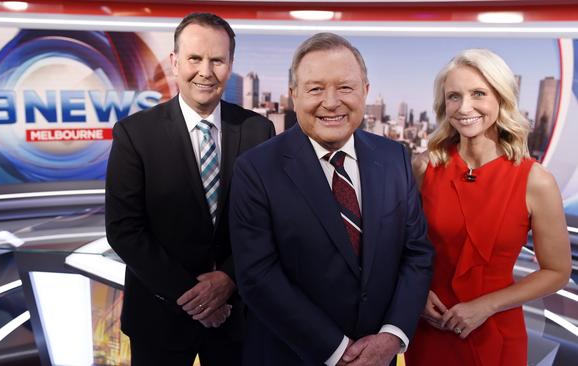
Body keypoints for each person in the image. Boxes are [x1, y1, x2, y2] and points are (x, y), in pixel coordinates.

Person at [229, 32, 434, 366]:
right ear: (293, 95)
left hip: (379, 355)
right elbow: (258, 276)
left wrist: (392, 336)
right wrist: (338, 351)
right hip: (290, 355)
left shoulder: (395, 157)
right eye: (315, 88)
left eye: (345, 87)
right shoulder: (256, 169)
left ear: (365, 92)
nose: (332, 101)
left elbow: (417, 253)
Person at [105, 12, 275, 366]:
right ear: (174, 61)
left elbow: (267, 222)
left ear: (230, 65)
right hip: (159, 317)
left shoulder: (258, 131)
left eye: (217, 60)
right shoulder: (134, 134)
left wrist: (228, 279)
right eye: (195, 58)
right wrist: (192, 296)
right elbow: (124, 230)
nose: (206, 71)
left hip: (238, 317)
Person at [405, 49, 571, 366]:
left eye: (478, 93)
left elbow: (557, 271)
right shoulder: (424, 168)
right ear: (444, 105)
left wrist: (487, 306)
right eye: (454, 96)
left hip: (496, 331)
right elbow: (400, 246)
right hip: (430, 327)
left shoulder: (536, 180)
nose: (465, 107)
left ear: (501, 98)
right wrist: (417, 295)